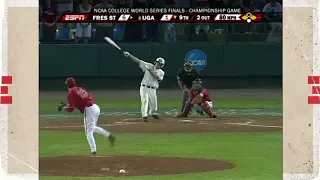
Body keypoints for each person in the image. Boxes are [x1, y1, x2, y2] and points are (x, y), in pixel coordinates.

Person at [58, 77, 115, 156]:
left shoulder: (71, 93)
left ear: (67, 85)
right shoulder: (80, 89)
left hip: (89, 110)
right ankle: (109, 135)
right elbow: (79, 101)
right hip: (95, 107)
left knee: (89, 132)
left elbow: (70, 109)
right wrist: (66, 105)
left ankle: (93, 151)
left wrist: (63, 107)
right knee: (92, 128)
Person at [123, 51, 165, 122]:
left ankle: (151, 113)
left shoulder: (161, 72)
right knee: (145, 100)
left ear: (162, 65)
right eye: (158, 63)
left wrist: (149, 70)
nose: (158, 65)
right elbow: (138, 61)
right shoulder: (148, 65)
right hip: (144, 87)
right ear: (155, 62)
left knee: (154, 107)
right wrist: (129, 55)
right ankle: (144, 116)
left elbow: (157, 77)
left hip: (152, 89)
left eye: (160, 64)